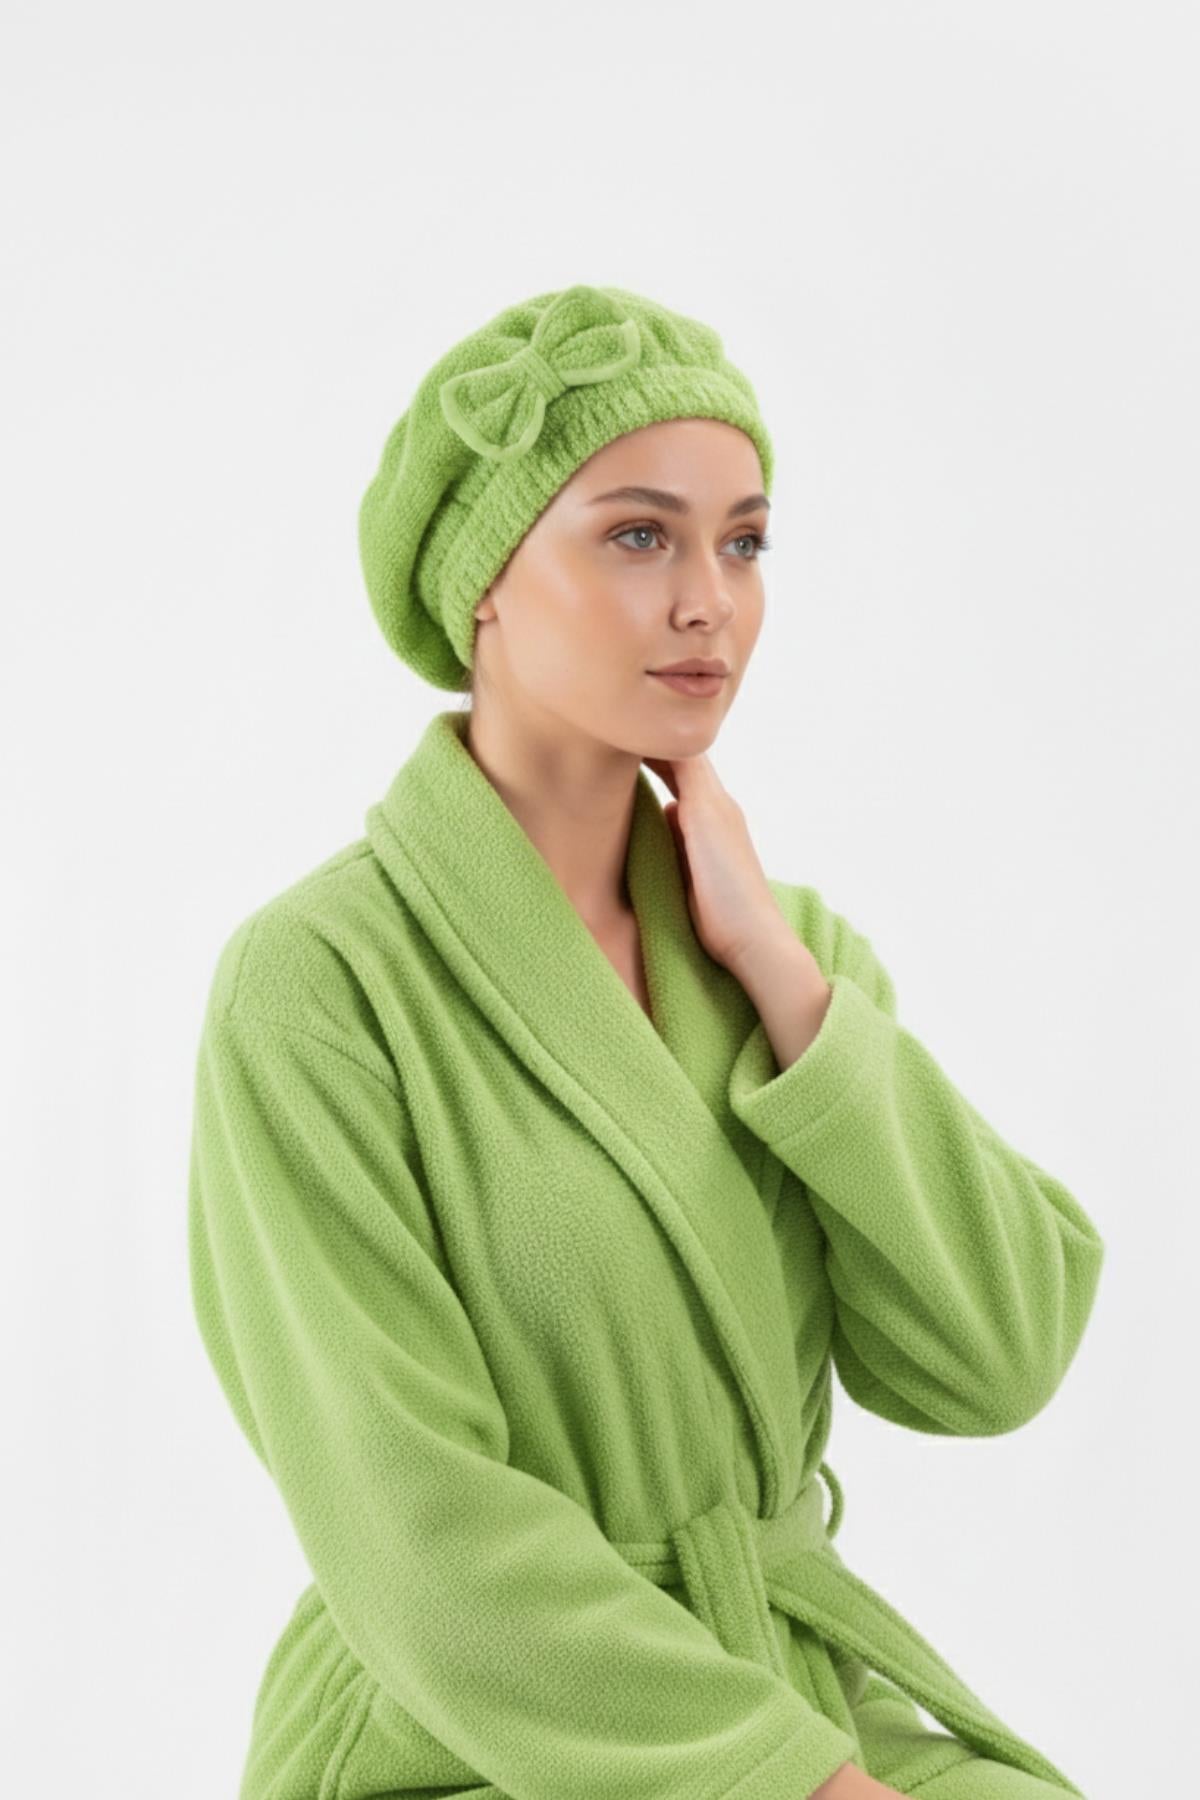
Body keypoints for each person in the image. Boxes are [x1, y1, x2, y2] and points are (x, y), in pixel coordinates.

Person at [187, 282, 1105, 1800]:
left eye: (743, 543)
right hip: (472, 1727)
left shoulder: (794, 959)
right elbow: (415, 1533)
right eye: (637, 536)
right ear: (481, 580)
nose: (709, 602)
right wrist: (802, 1788)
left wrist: (789, 994)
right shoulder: (317, 988)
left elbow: (998, 1359)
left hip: (783, 1683)